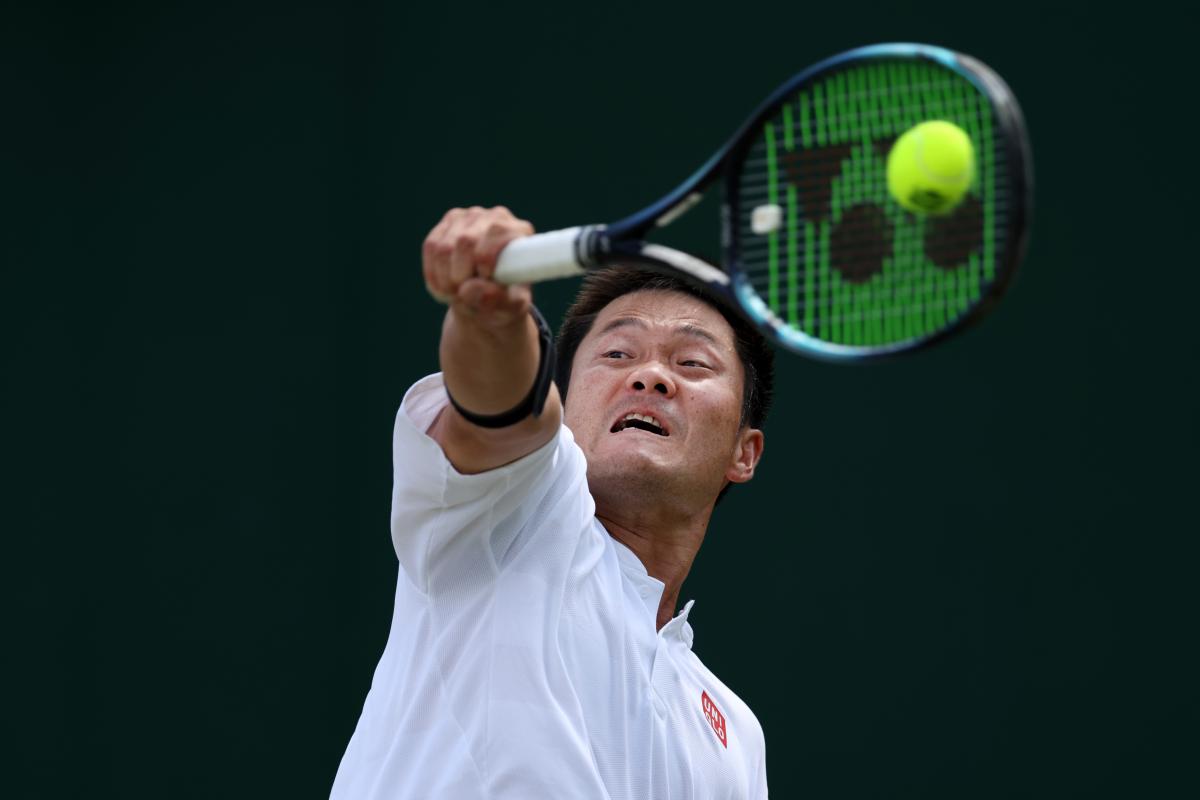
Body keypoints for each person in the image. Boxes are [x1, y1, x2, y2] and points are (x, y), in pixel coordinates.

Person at [331, 206, 774, 799]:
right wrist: (493, 318)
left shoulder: (736, 734)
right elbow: (503, 412)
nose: (650, 377)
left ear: (744, 455)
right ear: (563, 402)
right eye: (617, 355)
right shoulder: (518, 509)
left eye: (692, 364)